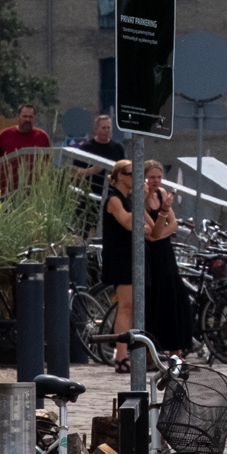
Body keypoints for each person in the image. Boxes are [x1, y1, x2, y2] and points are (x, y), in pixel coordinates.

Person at [141, 159, 195, 354]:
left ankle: (176, 350)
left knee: (174, 297)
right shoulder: (140, 198)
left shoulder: (161, 194)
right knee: (154, 300)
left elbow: (173, 226)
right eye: (151, 177)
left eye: (158, 177)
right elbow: (153, 234)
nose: (155, 181)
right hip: (150, 255)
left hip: (166, 252)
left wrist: (160, 230)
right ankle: (150, 352)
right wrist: (162, 221)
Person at [100, 158, 137, 373]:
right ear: (120, 176)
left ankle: (125, 353)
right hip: (120, 257)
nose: (135, 178)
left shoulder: (128, 199)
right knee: (125, 306)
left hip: (129, 256)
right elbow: (128, 222)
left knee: (130, 306)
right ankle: (121, 356)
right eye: (132, 174)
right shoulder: (114, 200)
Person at [0, 102, 51, 189]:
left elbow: (48, 163)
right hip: (7, 190)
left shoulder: (42, 137)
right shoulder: (5, 135)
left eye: (30, 117)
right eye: (24, 116)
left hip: (33, 190)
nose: (27, 120)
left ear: (34, 119)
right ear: (18, 117)